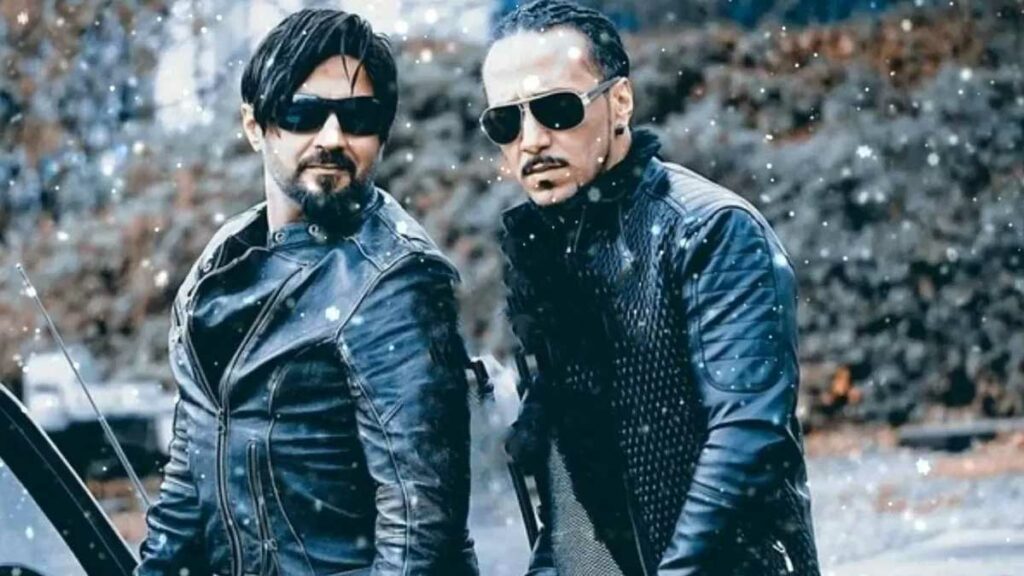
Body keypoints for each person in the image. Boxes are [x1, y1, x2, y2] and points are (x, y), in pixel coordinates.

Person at [480, 1, 820, 574]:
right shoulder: (545, 251)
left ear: (620, 102)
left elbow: (745, 437)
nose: (531, 140)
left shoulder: (710, 230)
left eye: (557, 109)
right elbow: (570, 479)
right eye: (505, 123)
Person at [137, 9, 478, 576]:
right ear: (255, 125)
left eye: (358, 117)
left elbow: (420, 531)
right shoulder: (222, 260)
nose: (332, 138)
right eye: (303, 114)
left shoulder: (396, 279)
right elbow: (186, 488)